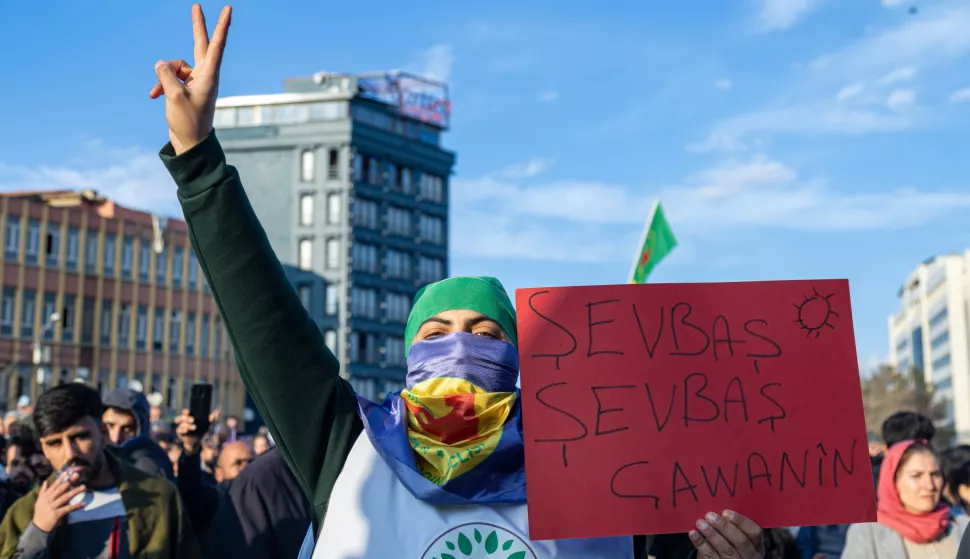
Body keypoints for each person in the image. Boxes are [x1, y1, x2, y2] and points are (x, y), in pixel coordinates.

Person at [149, 5, 766, 558]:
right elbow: (267, 322)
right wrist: (197, 155)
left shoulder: (597, 469)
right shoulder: (346, 449)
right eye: (438, 331)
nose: (460, 345)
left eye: (485, 331)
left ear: (516, 358)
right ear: (411, 354)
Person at [0, 383, 203, 558]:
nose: (70, 453)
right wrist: (38, 531)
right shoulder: (25, 511)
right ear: (43, 447)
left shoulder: (159, 497)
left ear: (102, 432)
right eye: (55, 443)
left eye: (80, 437)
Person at [843, 440, 968, 558]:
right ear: (893, 481)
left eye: (935, 475)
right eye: (916, 476)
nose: (929, 485)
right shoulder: (868, 534)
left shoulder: (961, 525)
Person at [102, 388, 176, 483]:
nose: (115, 438)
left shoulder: (149, 467)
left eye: (127, 429)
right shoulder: (91, 459)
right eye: (109, 426)